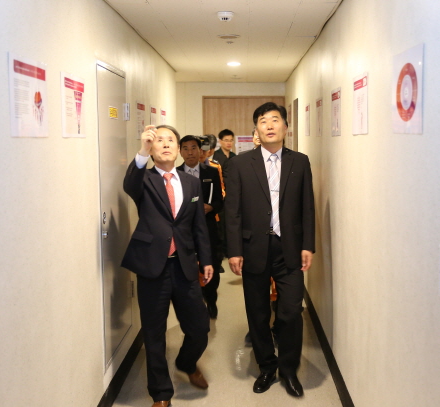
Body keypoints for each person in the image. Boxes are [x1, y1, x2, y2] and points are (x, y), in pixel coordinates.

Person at [225, 103, 315, 398]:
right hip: (253, 247)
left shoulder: (300, 161)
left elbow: (307, 206)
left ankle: (288, 369)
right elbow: (232, 211)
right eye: (263, 121)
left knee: (290, 312)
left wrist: (308, 245)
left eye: (275, 120)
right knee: (258, 312)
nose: (270, 125)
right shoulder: (240, 164)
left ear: (286, 127)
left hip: (290, 248)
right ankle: (266, 366)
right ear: (257, 130)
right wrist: (234, 250)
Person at [121, 125, 213, 407]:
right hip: (153, 268)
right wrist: (141, 150)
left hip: (184, 267)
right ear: (152, 148)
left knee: (199, 328)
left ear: (178, 148)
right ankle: (161, 394)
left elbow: (198, 225)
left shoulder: (191, 183)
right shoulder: (144, 179)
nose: (165, 144)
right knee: (154, 333)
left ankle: (186, 362)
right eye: (159, 140)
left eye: (170, 140)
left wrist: (206, 259)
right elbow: (129, 185)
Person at [177, 135, 224, 319]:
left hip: (208, 226)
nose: (190, 152)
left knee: (211, 264)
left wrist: (211, 207)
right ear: (180, 152)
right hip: (184, 229)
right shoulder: (175, 173)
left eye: (193, 148)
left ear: (200, 151)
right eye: (186, 149)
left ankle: (211, 300)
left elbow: (220, 200)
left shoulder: (211, 172)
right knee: (186, 267)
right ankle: (193, 304)